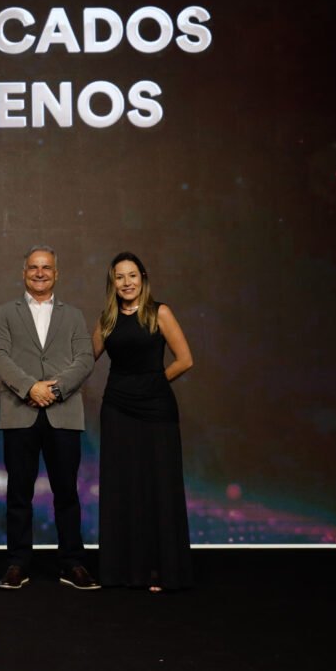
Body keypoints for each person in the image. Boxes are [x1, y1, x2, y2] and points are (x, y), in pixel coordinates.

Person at [0, 246, 99, 591]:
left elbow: (85, 358)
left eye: (46, 267)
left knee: (67, 493)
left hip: (63, 414)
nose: (40, 273)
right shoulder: (4, 312)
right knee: (19, 494)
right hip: (20, 413)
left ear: (56, 273)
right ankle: (17, 563)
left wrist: (55, 389)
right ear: (24, 273)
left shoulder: (74, 315)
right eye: (34, 267)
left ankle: (72, 563)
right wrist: (30, 388)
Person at [93, 251, 194, 592]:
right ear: (112, 283)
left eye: (132, 275)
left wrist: (154, 383)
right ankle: (125, 571)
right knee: (123, 486)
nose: (127, 282)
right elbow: (84, 360)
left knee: (158, 487)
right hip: (117, 409)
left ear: (143, 278)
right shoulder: (107, 319)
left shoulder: (159, 312)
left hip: (155, 410)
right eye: (119, 277)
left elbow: (185, 359)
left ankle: (161, 570)